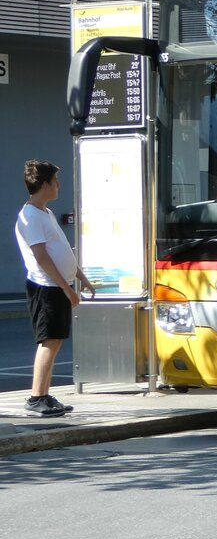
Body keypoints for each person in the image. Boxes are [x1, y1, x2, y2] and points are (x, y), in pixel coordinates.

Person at [14, 160, 95, 417]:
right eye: (55, 181)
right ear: (44, 185)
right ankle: (36, 397)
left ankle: (45, 395)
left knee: (56, 339)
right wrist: (67, 290)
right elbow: (41, 257)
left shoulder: (45, 213)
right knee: (48, 341)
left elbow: (60, 250)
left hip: (57, 286)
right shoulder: (30, 217)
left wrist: (80, 277)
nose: (59, 185)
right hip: (46, 287)